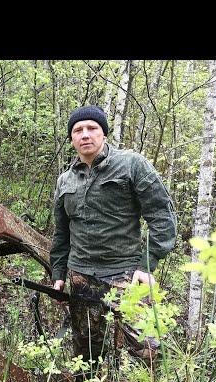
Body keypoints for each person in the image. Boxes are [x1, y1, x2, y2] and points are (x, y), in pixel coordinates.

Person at [50, 105, 177, 366]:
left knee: (148, 351)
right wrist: (58, 274)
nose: (85, 135)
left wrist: (147, 264)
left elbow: (161, 214)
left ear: (104, 134)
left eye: (92, 128)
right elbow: (62, 234)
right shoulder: (65, 181)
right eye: (78, 130)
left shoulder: (131, 165)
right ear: (72, 139)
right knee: (85, 353)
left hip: (127, 275)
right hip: (81, 277)